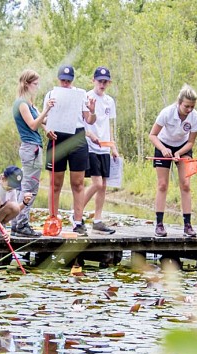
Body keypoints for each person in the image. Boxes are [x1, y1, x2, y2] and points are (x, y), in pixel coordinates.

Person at [43, 65, 96, 236]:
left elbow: (90, 119)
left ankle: (78, 221)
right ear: (58, 79)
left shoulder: (80, 94)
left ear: (72, 80)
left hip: (77, 137)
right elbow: (43, 119)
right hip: (57, 137)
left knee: (78, 182)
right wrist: (47, 128)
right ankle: (53, 218)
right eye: (63, 80)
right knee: (55, 183)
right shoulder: (51, 94)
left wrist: (93, 111)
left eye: (68, 80)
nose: (65, 83)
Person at [148, 84, 197, 238]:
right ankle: (159, 224)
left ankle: (187, 225)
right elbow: (152, 135)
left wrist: (178, 152)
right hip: (163, 144)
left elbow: (191, 142)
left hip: (183, 147)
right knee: (163, 185)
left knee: (185, 185)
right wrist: (164, 149)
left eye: (192, 106)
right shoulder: (167, 113)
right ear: (179, 103)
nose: (189, 109)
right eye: (186, 106)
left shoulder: (196, 117)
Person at [11, 69, 55, 238]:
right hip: (31, 149)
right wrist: (46, 109)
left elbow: (42, 121)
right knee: (30, 187)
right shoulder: (22, 104)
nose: (37, 87)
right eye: (35, 84)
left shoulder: (28, 104)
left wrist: (49, 120)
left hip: (32, 148)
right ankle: (21, 224)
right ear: (27, 84)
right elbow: (32, 125)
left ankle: (17, 222)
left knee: (26, 186)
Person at [83, 66, 118, 235]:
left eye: (105, 82)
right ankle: (77, 213)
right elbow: (83, 123)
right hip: (90, 145)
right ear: (94, 80)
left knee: (103, 185)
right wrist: (89, 136)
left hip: (104, 147)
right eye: (100, 81)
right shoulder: (87, 97)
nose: (102, 84)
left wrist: (113, 147)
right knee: (96, 183)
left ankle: (97, 220)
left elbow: (109, 125)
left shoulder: (109, 101)